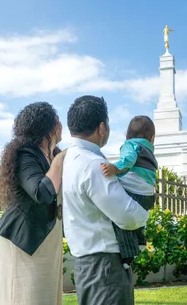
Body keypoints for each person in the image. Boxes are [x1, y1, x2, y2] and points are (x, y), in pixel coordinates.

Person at [62, 95, 149, 305]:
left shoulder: (70, 160)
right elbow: (128, 216)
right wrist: (145, 211)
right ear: (102, 128)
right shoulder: (93, 164)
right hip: (106, 267)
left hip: (87, 265)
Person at [0, 102, 66, 305]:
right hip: (25, 241)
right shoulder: (25, 154)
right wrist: (60, 160)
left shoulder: (52, 154)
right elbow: (41, 192)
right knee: (27, 298)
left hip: (47, 240)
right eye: (58, 121)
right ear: (49, 127)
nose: (62, 126)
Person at [100, 115, 158, 270]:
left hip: (133, 192)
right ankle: (140, 240)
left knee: (118, 219)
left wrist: (115, 169)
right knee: (135, 215)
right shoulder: (149, 152)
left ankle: (128, 255)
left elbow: (128, 159)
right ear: (152, 139)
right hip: (147, 197)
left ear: (126, 137)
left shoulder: (130, 145)